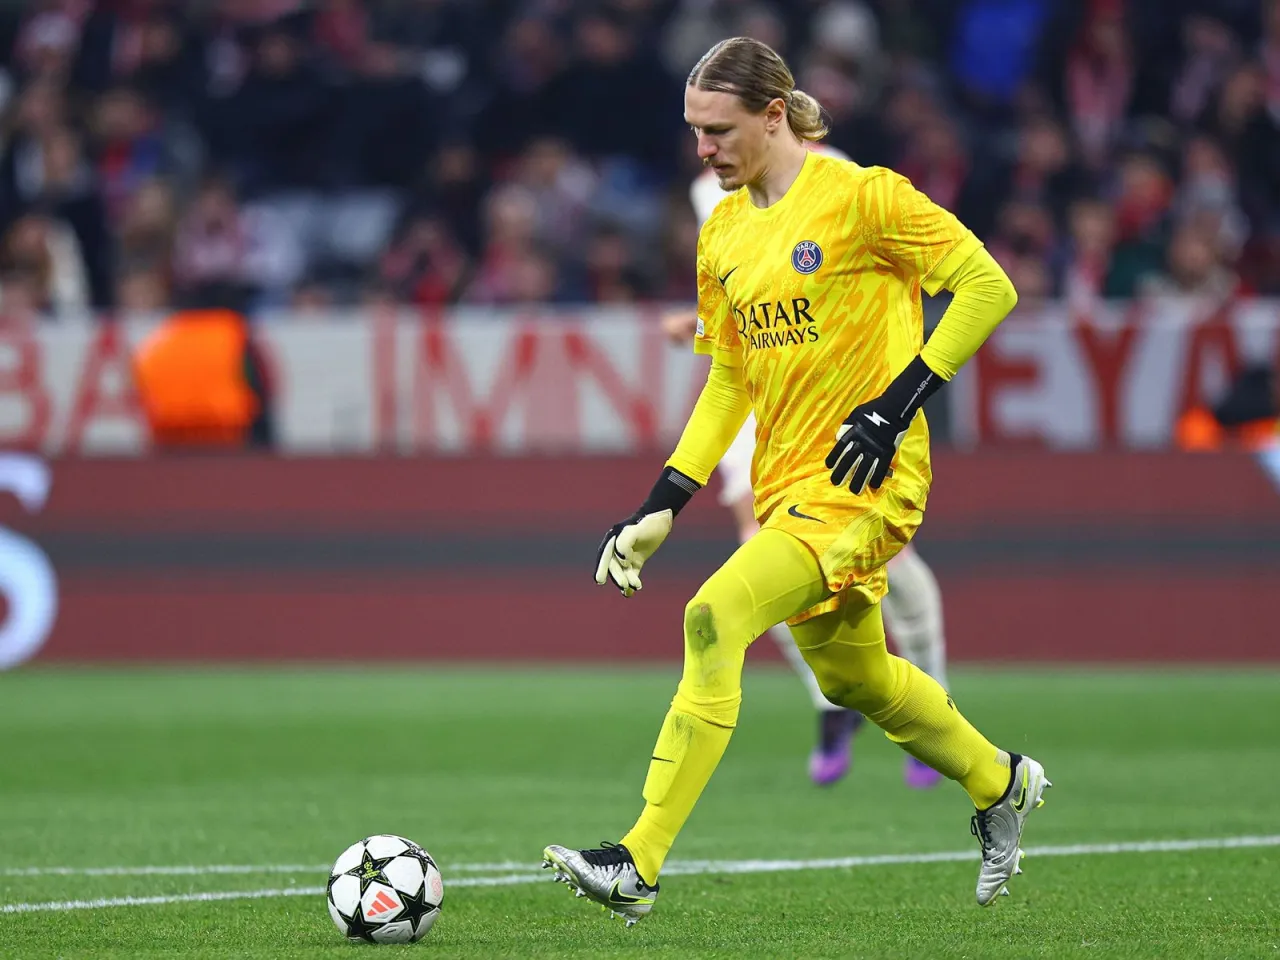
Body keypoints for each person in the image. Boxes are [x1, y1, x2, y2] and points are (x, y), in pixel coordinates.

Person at [543, 37, 1049, 924]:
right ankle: (999, 780)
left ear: (774, 115)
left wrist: (896, 405)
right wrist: (663, 502)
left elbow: (986, 285)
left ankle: (638, 861)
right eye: (694, 130)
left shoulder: (862, 197)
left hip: (867, 478)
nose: (702, 149)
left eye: (718, 129)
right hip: (785, 484)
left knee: (713, 615)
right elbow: (729, 381)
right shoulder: (723, 233)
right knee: (857, 679)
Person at [662, 138, 948, 790]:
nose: (708, 145)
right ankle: (830, 701)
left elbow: (852, 278)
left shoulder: (836, 175)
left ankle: (932, 699)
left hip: (832, 386)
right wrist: (698, 324)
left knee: (886, 558)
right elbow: (745, 288)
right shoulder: (711, 193)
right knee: (759, 547)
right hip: (759, 389)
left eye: (720, 125)